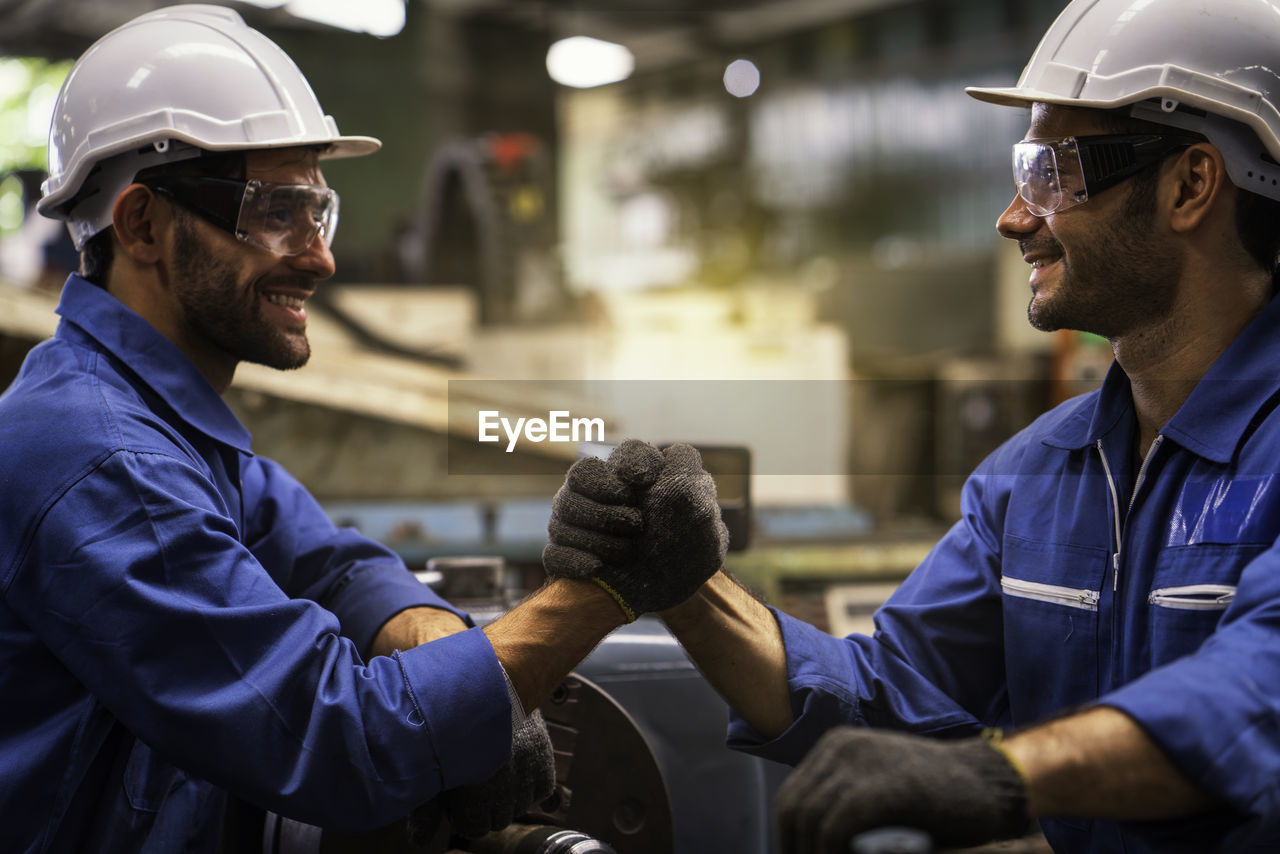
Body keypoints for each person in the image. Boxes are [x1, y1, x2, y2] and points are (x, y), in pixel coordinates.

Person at [543, 1, 1280, 852]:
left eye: (1053, 172)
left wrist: (1001, 775)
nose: (1013, 217)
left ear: (1191, 185)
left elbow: (1253, 701)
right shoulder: (1036, 474)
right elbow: (891, 698)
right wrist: (686, 586)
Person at [0, 7, 723, 853]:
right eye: (276, 212)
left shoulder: (163, 422)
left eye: (319, 211)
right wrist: (596, 598)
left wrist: (462, 653)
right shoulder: (100, 460)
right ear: (142, 226)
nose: (320, 256)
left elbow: (334, 567)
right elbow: (336, 739)